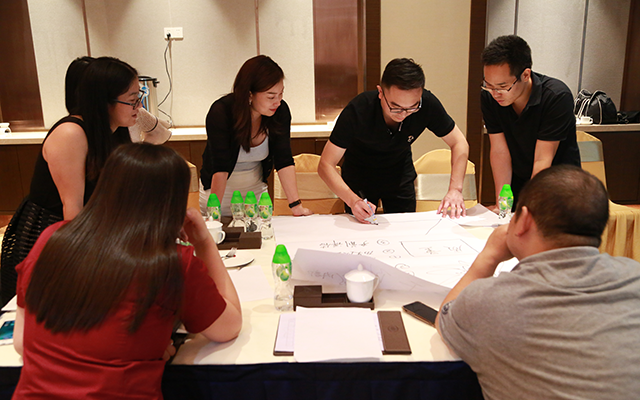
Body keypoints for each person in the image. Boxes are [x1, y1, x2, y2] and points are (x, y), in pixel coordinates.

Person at [13, 143, 243, 398]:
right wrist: (204, 242)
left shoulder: (51, 238)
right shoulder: (171, 261)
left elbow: (22, 342)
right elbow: (229, 327)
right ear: (172, 204)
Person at [436, 165, 640, 400]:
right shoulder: (634, 276)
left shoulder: (491, 300)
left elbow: (445, 319)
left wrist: (488, 256)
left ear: (523, 220)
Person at [0, 57, 142, 306]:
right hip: (53, 235)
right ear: (104, 101)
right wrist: (86, 266)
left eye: (139, 98)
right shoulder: (71, 133)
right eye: (133, 100)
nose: (139, 107)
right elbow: (72, 209)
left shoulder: (113, 130)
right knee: (46, 309)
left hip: (90, 230)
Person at [318, 58, 469, 224]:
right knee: (362, 230)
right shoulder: (359, 110)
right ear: (380, 92)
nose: (403, 114)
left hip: (399, 173)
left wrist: (455, 189)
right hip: (360, 175)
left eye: (412, 107)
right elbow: (325, 165)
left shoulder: (427, 104)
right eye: (395, 107)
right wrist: (352, 200)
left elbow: (459, 142)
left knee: (404, 227)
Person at [200, 55, 312, 217]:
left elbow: (284, 160)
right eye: (271, 96)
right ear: (250, 94)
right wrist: (214, 213)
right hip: (218, 195)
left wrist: (296, 206)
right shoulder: (221, 112)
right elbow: (220, 168)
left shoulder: (279, 112)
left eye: (281, 94)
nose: (278, 102)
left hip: (256, 195)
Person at [481, 35, 581, 209]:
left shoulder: (556, 97)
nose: (495, 93)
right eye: (489, 85)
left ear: (525, 75)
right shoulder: (490, 97)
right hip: (520, 182)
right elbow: (499, 152)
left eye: (503, 87)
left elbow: (542, 160)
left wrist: (529, 208)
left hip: (560, 186)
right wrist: (502, 204)